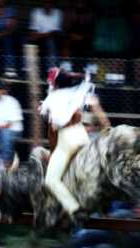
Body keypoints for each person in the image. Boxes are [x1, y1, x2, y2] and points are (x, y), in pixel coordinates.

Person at [39, 67, 95, 220]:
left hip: (66, 140)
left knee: (51, 180)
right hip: (82, 135)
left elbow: (52, 130)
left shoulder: (52, 99)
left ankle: (74, 209)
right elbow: (78, 116)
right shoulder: (76, 94)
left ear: (54, 84)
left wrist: (52, 152)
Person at [28, 0, 63, 68]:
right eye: (45, 2)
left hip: (54, 38)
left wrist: (39, 35)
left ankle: (52, 72)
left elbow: (54, 32)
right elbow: (33, 31)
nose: (47, 5)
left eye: (49, 3)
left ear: (53, 4)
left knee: (50, 42)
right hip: (39, 38)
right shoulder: (36, 12)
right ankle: (30, 70)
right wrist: (37, 35)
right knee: (28, 41)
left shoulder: (58, 13)